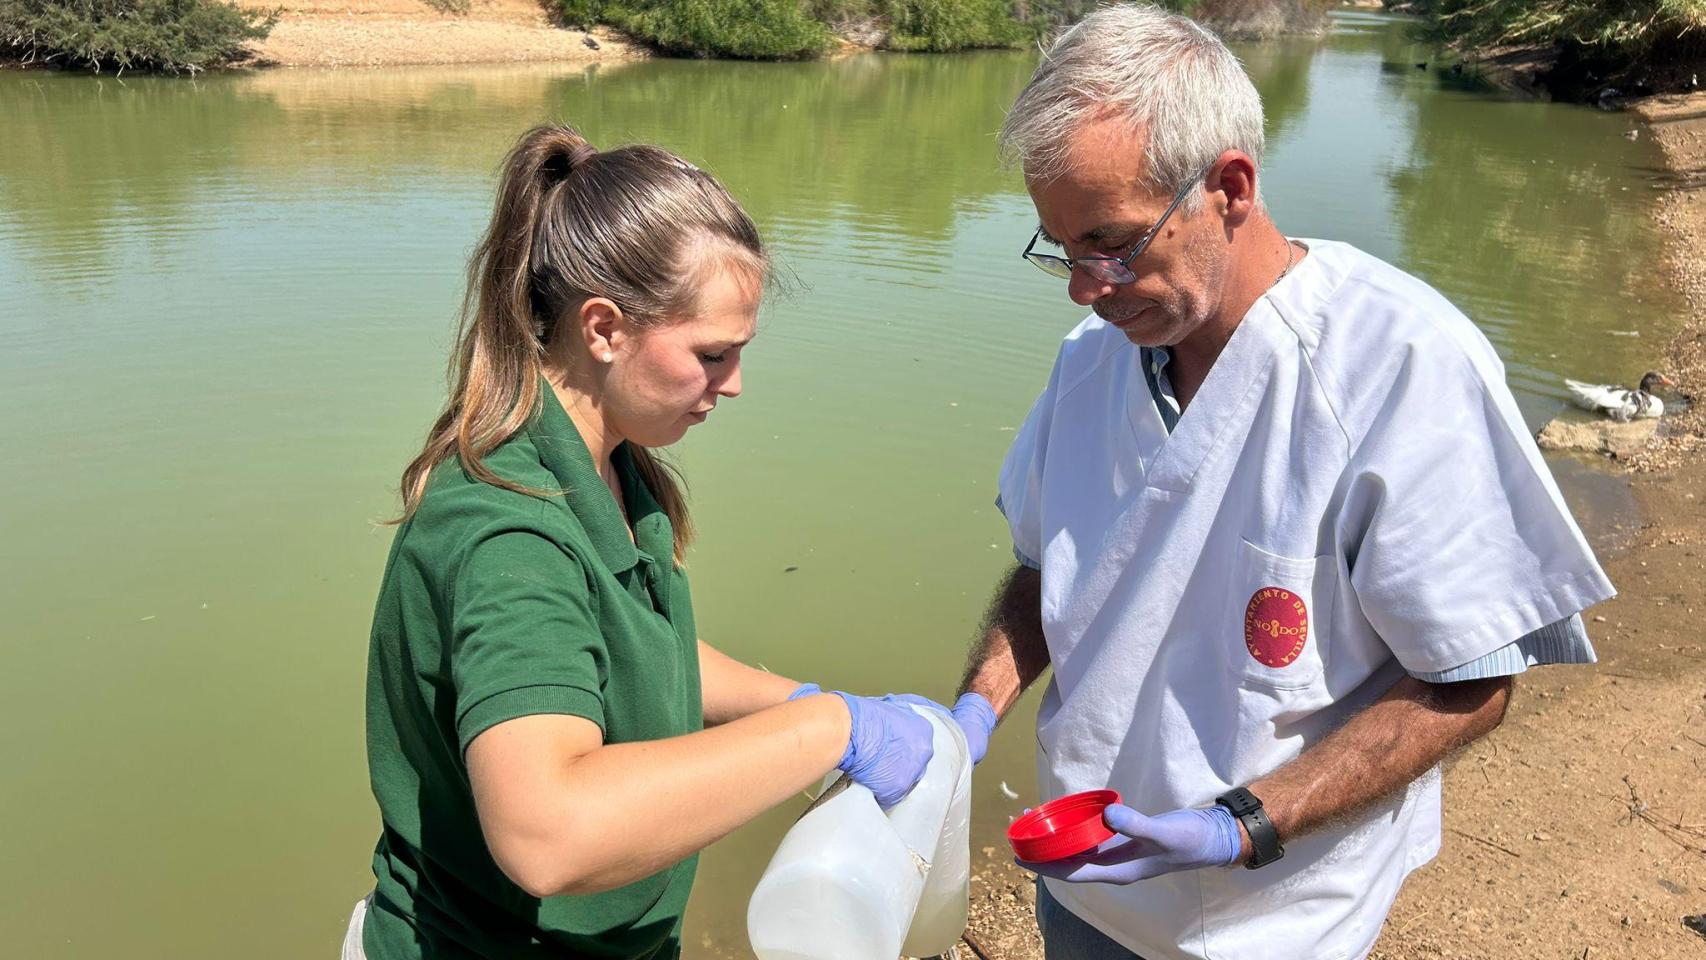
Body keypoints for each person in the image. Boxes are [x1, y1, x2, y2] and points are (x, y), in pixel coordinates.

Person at [943, 6, 1616, 958]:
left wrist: (1242, 823)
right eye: (1061, 246)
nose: (1084, 287)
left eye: (1113, 243)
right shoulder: (1093, 360)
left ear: (1229, 186)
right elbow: (1045, 572)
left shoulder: (1401, 365)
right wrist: (974, 708)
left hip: (1276, 919)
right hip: (1088, 887)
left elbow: (1468, 679)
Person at [347, 124, 940, 959]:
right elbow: (548, 833)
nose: (733, 385)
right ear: (603, 329)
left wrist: (800, 700)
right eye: (711, 354)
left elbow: (638, 653)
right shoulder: (512, 537)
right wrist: (830, 733)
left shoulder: (614, 468)